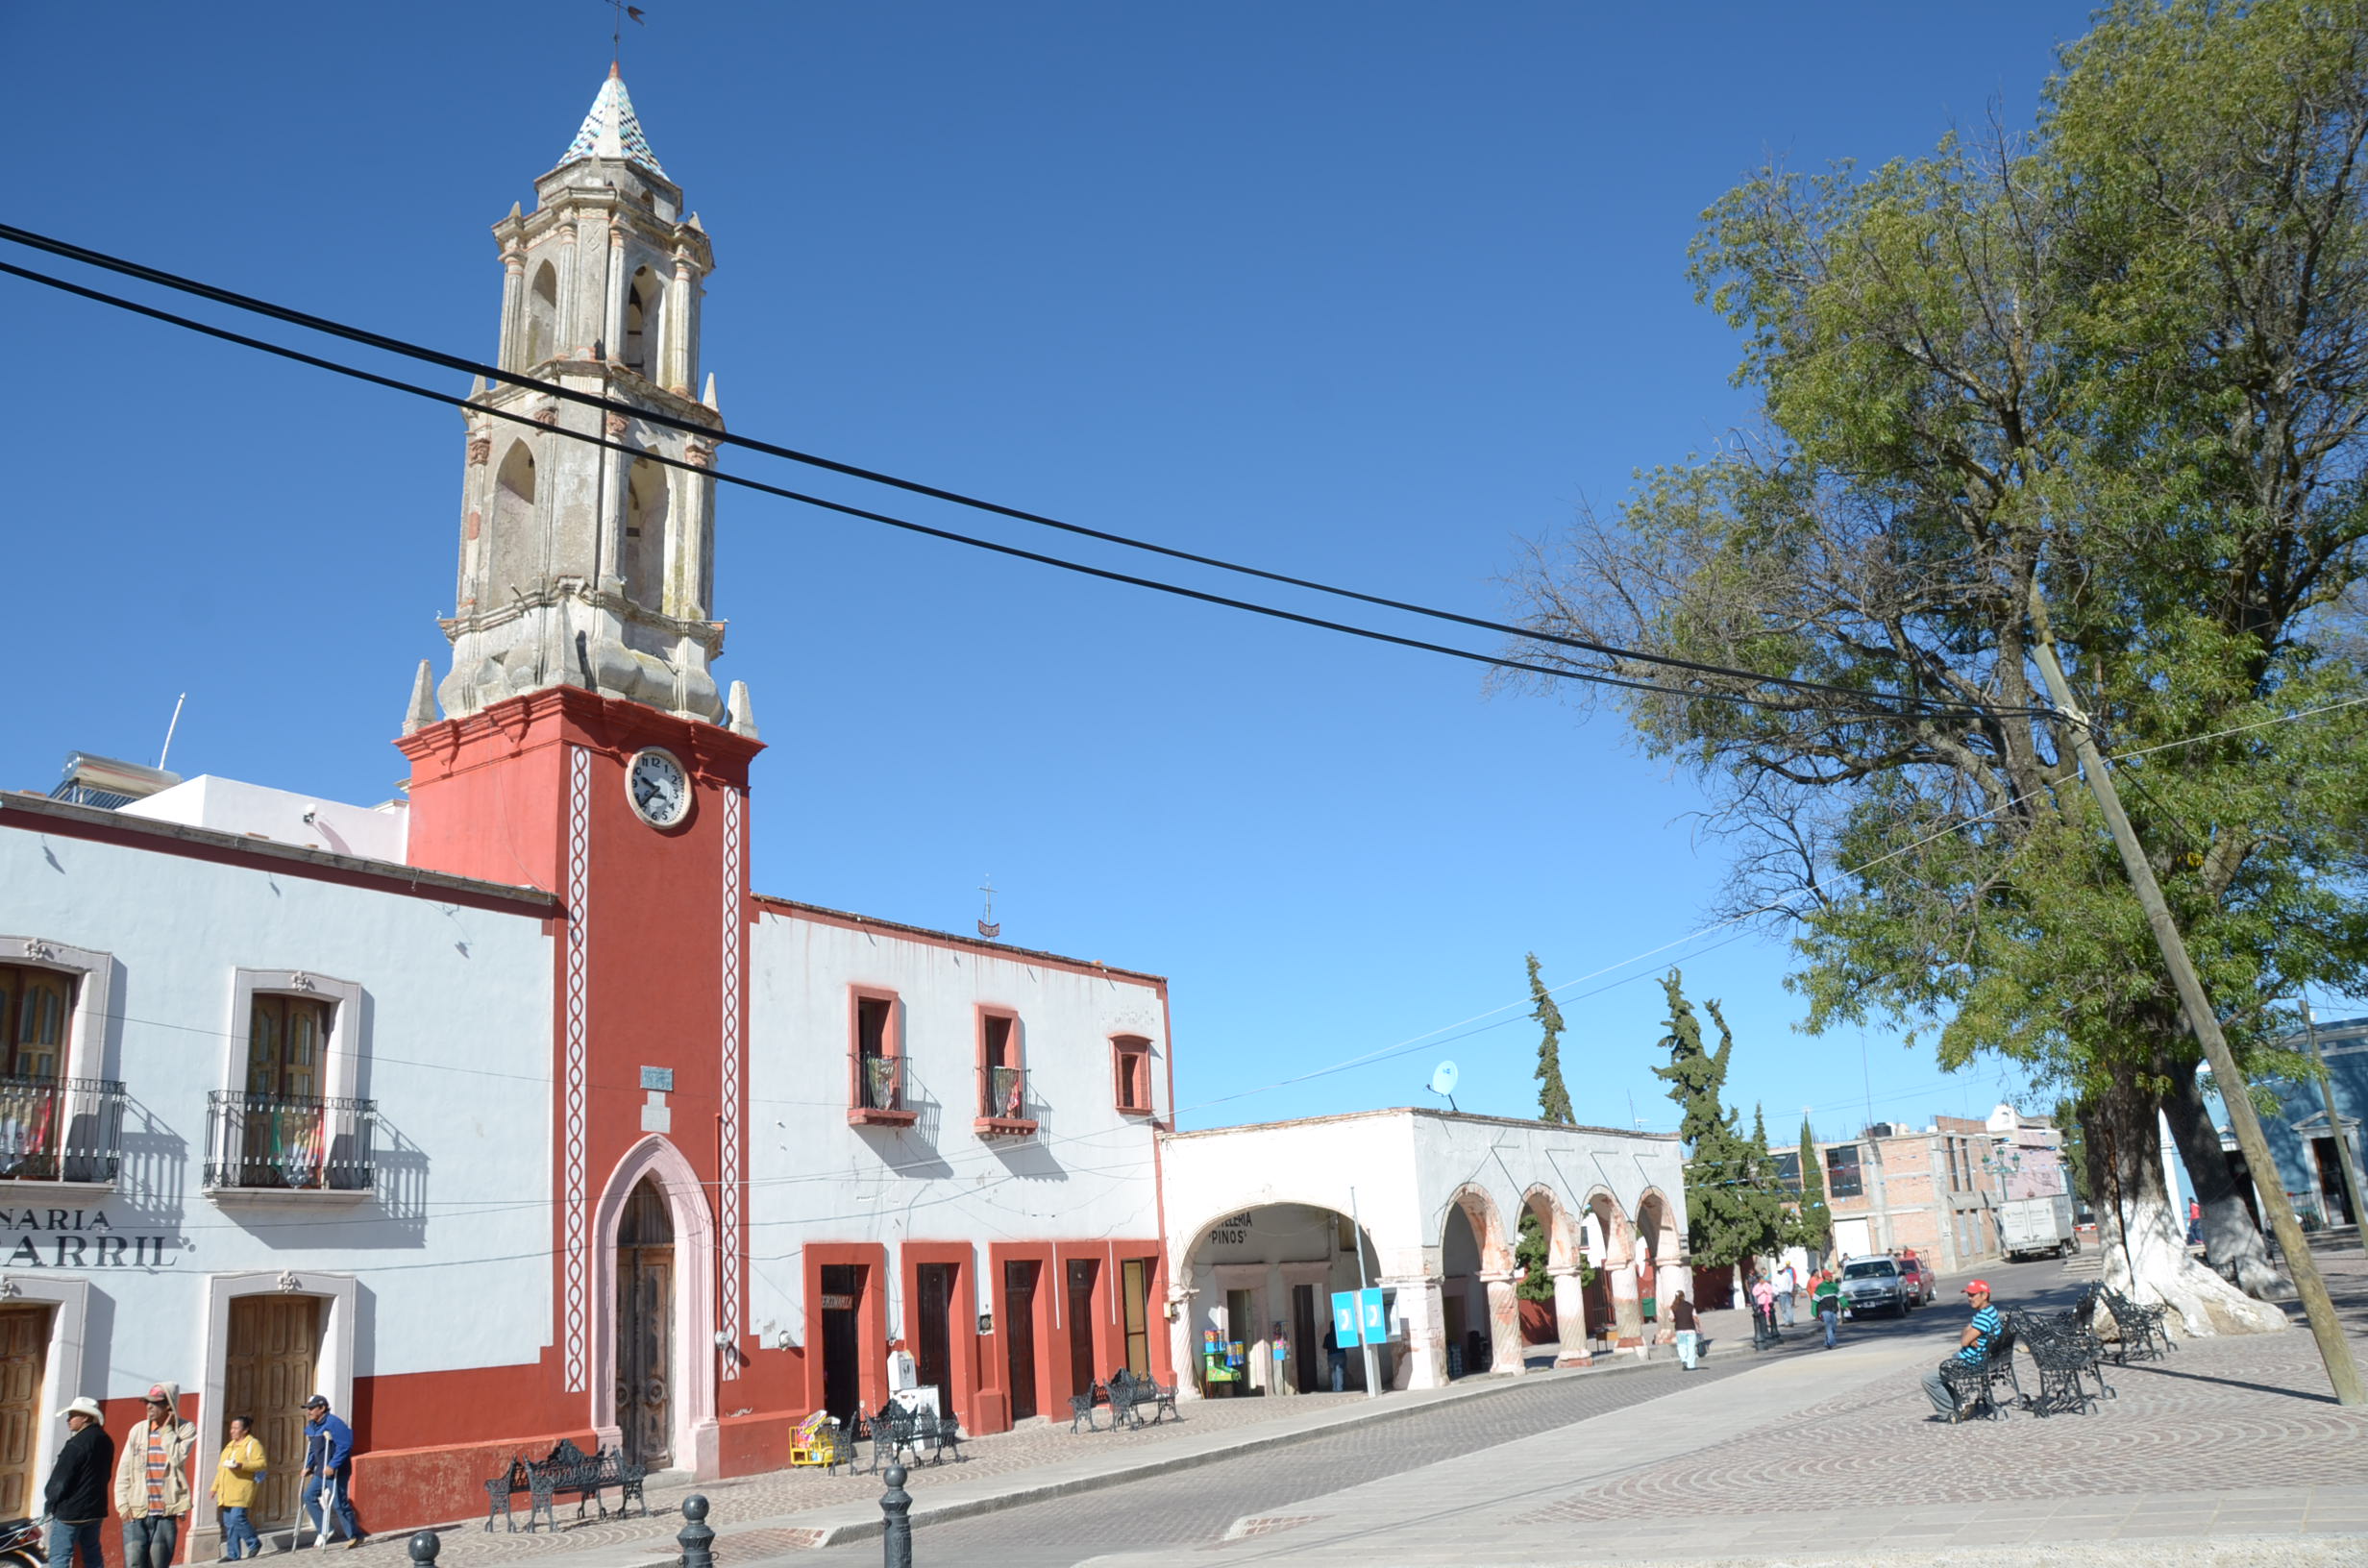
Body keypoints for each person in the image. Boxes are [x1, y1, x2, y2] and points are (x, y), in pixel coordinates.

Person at [113, 1383, 196, 1568]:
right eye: (147, 1403)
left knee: (158, 1564)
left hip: (165, 1513)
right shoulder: (138, 1430)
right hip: (136, 1510)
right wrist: (122, 1504)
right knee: (134, 1564)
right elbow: (124, 1469)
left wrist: (166, 1431)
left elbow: (176, 1458)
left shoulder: (185, 1429)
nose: (149, 1407)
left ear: (169, 1405)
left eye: (155, 1403)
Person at [44, 1395, 113, 1568]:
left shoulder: (76, 1444)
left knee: (60, 1556)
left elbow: (60, 1480)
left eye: (73, 1415)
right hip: (95, 1509)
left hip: (71, 1512)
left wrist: (51, 1501)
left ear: (85, 1417)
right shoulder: (106, 1440)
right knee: (92, 1553)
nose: (68, 1419)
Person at [1920, 1279, 2004, 1420]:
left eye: (1973, 1295)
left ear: (1984, 1295)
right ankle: (1959, 1403)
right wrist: (1969, 1335)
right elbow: (1967, 1334)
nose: (1970, 1299)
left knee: (1929, 1379)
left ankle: (1951, 1412)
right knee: (1949, 1362)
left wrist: (1968, 1336)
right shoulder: (1990, 1311)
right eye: (1968, 1295)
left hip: (1973, 1363)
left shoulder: (1982, 1317)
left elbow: (1964, 1341)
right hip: (1981, 1359)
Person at [301, 1394, 365, 1549]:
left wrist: (333, 1465)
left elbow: (345, 1445)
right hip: (320, 1471)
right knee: (308, 1496)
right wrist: (308, 1466)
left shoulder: (334, 1423)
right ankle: (325, 1529)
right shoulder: (312, 1427)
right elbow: (313, 1450)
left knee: (339, 1503)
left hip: (337, 1471)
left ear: (322, 1408)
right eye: (308, 1409)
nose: (309, 1411)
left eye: (311, 1408)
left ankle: (355, 1535)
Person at [212, 1414, 266, 1561]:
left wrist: (242, 1466)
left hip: (242, 1489)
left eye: (236, 1428)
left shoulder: (252, 1444)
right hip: (226, 1491)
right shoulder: (229, 1447)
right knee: (229, 1523)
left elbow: (261, 1464)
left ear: (245, 1430)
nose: (232, 1431)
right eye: (232, 1428)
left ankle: (253, 1542)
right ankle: (233, 1554)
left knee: (238, 1518)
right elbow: (221, 1469)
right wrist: (214, 1487)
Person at [1669, 1289, 1699, 1370]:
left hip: (1680, 1329)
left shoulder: (1673, 1307)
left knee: (1681, 1346)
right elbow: (1695, 1318)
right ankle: (1691, 1365)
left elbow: (1671, 1319)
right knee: (1691, 1347)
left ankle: (1684, 1360)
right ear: (1683, 1296)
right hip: (1690, 1329)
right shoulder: (1690, 1306)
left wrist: (1677, 1319)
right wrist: (1699, 1327)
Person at [1813, 1269, 1842, 1349]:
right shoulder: (1821, 1287)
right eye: (1830, 1276)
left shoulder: (1834, 1286)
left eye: (1831, 1276)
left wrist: (1845, 1304)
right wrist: (1814, 1312)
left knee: (1834, 1326)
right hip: (1824, 1310)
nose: (1831, 1277)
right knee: (1829, 1326)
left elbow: (1840, 1296)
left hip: (1834, 1309)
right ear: (1825, 1277)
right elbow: (1815, 1300)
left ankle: (1827, 1342)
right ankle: (1832, 1342)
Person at [1749, 1272, 1777, 1347]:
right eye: (1761, 1279)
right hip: (1761, 1301)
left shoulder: (1767, 1285)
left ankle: (1772, 1326)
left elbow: (1770, 1291)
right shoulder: (1757, 1286)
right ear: (1759, 1280)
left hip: (1768, 1301)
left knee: (1770, 1313)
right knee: (1762, 1314)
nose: (1762, 1280)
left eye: (1763, 1279)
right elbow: (1754, 1293)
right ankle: (1764, 1326)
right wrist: (1761, 1291)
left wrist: (1766, 1291)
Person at [1776, 1262, 1798, 1327]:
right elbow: (1773, 1285)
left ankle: (1791, 1321)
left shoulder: (1787, 1274)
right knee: (1783, 1309)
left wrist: (1789, 1290)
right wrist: (1776, 1292)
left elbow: (1791, 1282)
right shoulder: (1776, 1276)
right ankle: (1786, 1322)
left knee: (1789, 1307)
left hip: (1787, 1293)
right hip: (1780, 1294)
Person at [1322, 1323, 1344, 1392]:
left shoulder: (1328, 1336)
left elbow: (1324, 1346)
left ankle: (1334, 1388)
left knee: (1333, 1371)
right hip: (1341, 1354)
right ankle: (1339, 1388)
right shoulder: (1340, 1335)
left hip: (1331, 1355)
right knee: (1339, 1371)